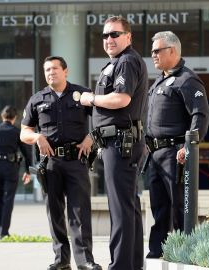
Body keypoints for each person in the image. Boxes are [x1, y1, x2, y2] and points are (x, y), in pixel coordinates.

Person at [79, 16, 148, 270]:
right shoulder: (116, 63)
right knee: (126, 207)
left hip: (121, 143)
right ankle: (131, 264)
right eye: (105, 35)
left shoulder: (127, 61)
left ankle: (120, 265)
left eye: (115, 34)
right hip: (117, 143)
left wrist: (91, 98)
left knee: (120, 209)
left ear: (128, 37)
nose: (109, 39)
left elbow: (121, 99)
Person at [21, 56, 101, 270]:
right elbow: (24, 132)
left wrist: (91, 137)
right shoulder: (37, 99)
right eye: (47, 69)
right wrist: (37, 137)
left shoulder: (82, 94)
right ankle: (61, 260)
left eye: (55, 68)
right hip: (51, 163)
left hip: (77, 160)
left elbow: (103, 118)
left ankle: (85, 261)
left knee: (79, 211)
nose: (50, 72)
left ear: (65, 71)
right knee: (55, 212)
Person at [144, 31, 209, 259]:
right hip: (155, 154)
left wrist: (188, 148)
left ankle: (184, 253)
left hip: (175, 153)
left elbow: (200, 114)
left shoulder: (186, 79)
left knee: (178, 206)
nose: (152, 55)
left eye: (156, 50)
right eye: (152, 51)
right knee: (159, 206)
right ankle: (157, 251)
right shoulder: (160, 80)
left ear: (172, 51)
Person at [0, 105, 33, 239]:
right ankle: (4, 231)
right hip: (11, 167)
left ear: (2, 116)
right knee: (8, 199)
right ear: (15, 117)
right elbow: (26, 153)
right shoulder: (17, 132)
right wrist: (28, 170)